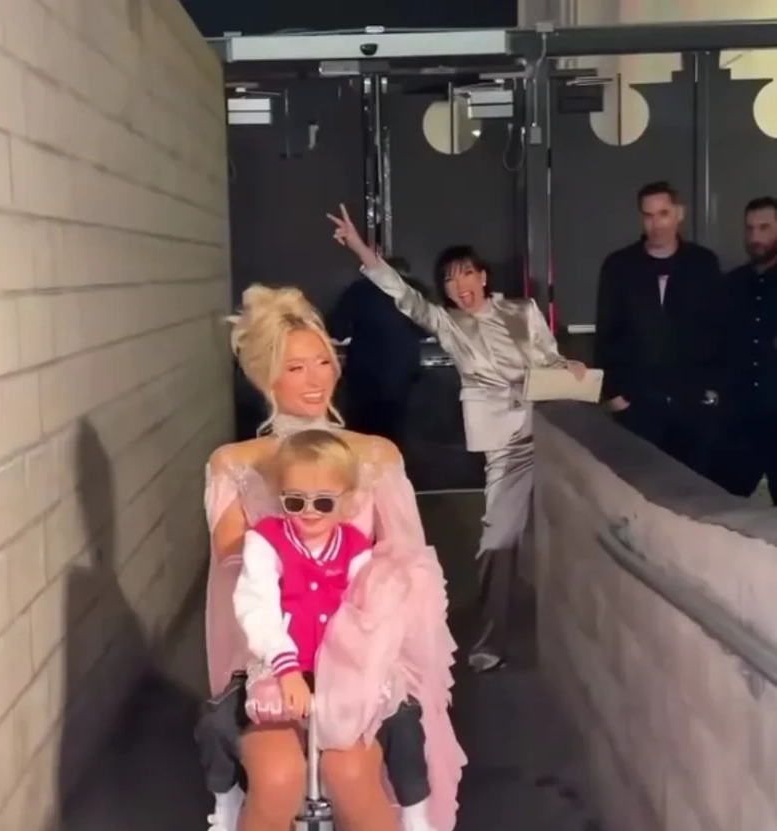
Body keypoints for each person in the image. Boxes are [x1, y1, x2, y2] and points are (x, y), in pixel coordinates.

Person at [199, 284, 466, 831]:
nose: (315, 380)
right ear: (265, 377)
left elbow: (408, 562)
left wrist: (367, 634)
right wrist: (279, 646)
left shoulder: (375, 456)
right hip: (275, 660)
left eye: (323, 362)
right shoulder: (236, 463)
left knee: (351, 771)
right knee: (277, 774)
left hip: (363, 662)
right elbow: (232, 569)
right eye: (295, 368)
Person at [327, 204, 586, 673]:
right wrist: (361, 248)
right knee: (496, 541)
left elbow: (549, 358)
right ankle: (490, 642)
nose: (460, 285)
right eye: (449, 279)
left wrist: (568, 366)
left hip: (552, 430)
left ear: (483, 276)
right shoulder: (448, 324)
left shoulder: (522, 311)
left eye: (467, 273)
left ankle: (581, 639)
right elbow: (402, 294)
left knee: (578, 537)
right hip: (507, 445)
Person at [211, 427, 443, 831]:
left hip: (343, 662)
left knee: (401, 717)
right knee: (220, 720)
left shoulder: (356, 548)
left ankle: (416, 818)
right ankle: (225, 801)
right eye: (295, 501)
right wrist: (285, 669)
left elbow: (365, 606)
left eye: (323, 501)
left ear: (347, 500)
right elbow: (257, 603)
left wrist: (368, 662)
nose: (309, 513)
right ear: (280, 497)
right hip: (284, 661)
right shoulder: (266, 542)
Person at [595, 181, 724, 475]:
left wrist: (713, 390)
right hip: (638, 407)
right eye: (648, 215)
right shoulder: (619, 266)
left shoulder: (703, 264)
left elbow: (718, 330)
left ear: (679, 214)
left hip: (693, 406)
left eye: (663, 213)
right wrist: (615, 396)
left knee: (692, 490)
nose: (656, 224)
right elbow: (606, 333)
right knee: (639, 487)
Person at [709, 197, 777, 502]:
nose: (755, 237)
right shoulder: (732, 284)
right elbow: (717, 342)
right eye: (750, 229)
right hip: (740, 420)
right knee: (720, 505)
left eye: (764, 228)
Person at [327, 257, 426, 445]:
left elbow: (337, 329)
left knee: (360, 442)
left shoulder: (358, 290)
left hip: (363, 381)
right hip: (403, 381)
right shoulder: (416, 291)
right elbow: (427, 330)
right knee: (396, 442)